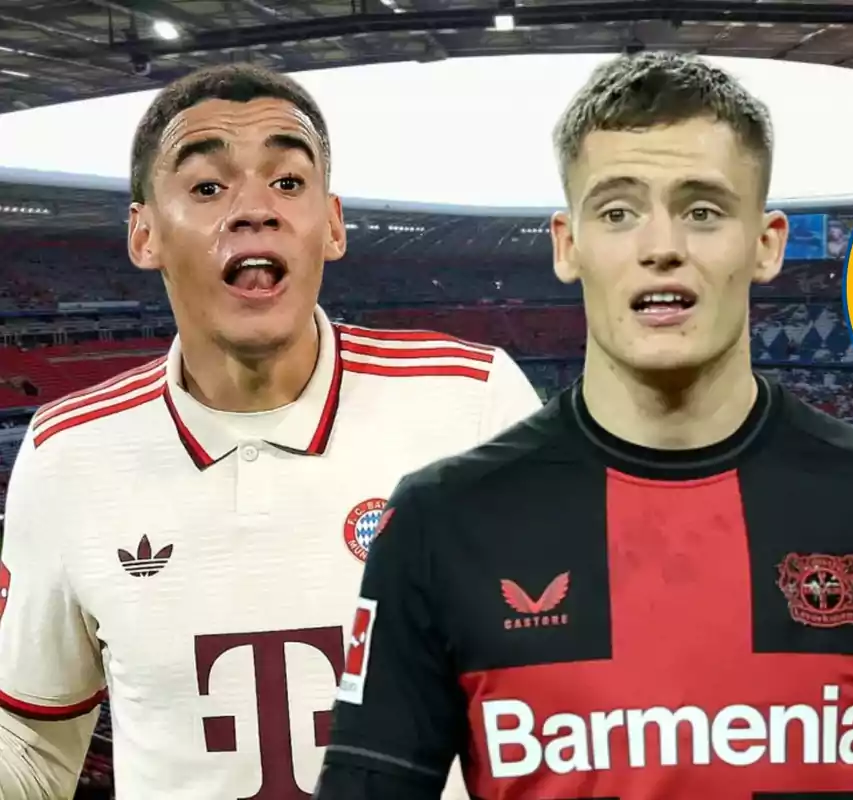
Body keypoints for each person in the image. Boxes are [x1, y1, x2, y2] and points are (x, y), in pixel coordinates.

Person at [315, 51, 853, 799]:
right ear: (568, 246)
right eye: (617, 211)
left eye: (702, 210)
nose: (661, 245)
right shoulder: (442, 523)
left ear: (765, 244)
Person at [0, 64, 541, 799]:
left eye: (288, 181)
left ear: (335, 223)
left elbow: (571, 702)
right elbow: (31, 745)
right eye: (207, 186)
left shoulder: (473, 403)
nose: (254, 208)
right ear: (143, 233)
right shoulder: (68, 454)